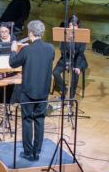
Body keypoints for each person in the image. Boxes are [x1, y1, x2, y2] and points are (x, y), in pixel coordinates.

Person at [9, 20, 54, 161]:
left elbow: (13, 63)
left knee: (27, 120)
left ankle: (28, 153)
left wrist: (13, 50)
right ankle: (37, 151)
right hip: (43, 91)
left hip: (28, 92)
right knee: (40, 120)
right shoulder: (50, 48)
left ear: (30, 33)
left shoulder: (27, 49)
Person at [52, 16, 87, 101]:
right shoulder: (64, 34)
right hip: (66, 58)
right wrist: (67, 63)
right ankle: (64, 90)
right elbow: (63, 51)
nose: (73, 28)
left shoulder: (82, 35)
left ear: (78, 26)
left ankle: (71, 97)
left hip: (78, 59)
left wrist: (78, 66)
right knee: (55, 72)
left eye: (75, 25)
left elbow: (81, 52)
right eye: (71, 25)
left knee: (75, 74)